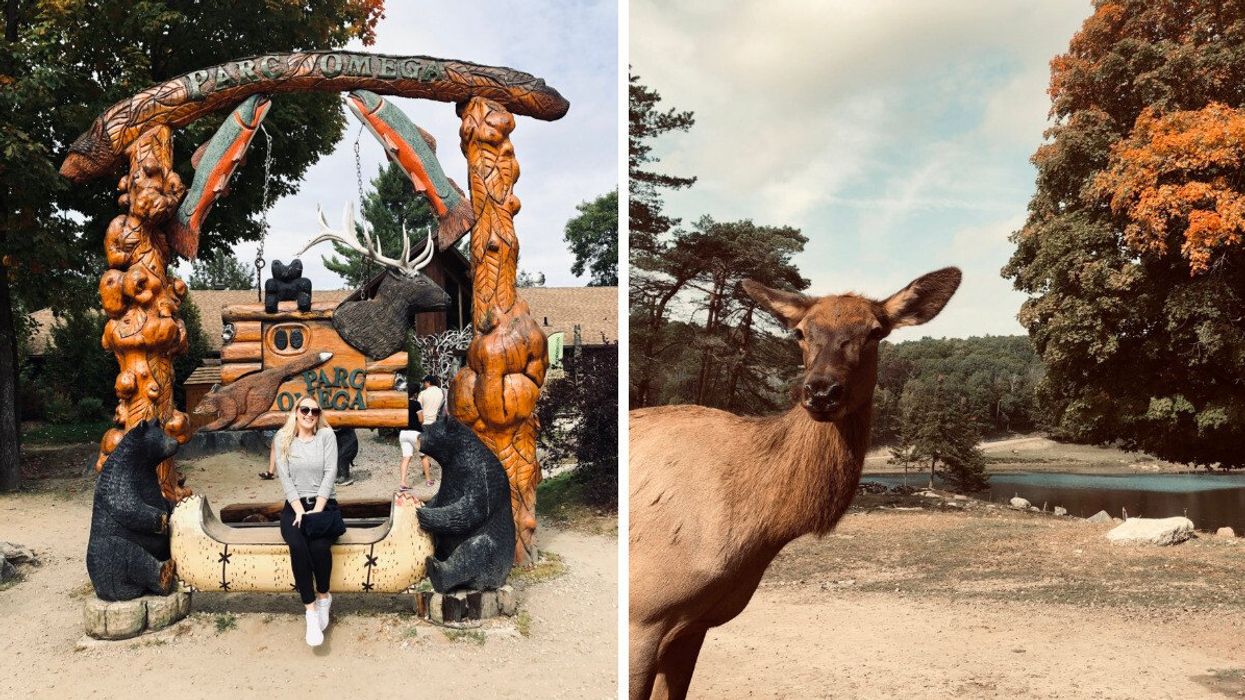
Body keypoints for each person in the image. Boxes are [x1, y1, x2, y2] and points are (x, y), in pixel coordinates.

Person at [272, 396, 339, 647]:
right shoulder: (282, 439)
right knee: (298, 547)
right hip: (295, 506)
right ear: (296, 412)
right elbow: (285, 478)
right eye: (305, 409)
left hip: (324, 505)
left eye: (314, 410)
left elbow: (330, 472)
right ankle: (310, 610)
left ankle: (324, 597)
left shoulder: (326, 437)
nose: (309, 414)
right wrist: (300, 511)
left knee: (320, 547)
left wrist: (317, 511)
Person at [397, 375, 445, 490]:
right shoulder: (441, 392)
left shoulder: (402, 403)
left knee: (406, 457)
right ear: (414, 393)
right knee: (423, 456)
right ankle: (428, 480)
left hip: (403, 433)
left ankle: (403, 483)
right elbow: (420, 419)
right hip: (419, 431)